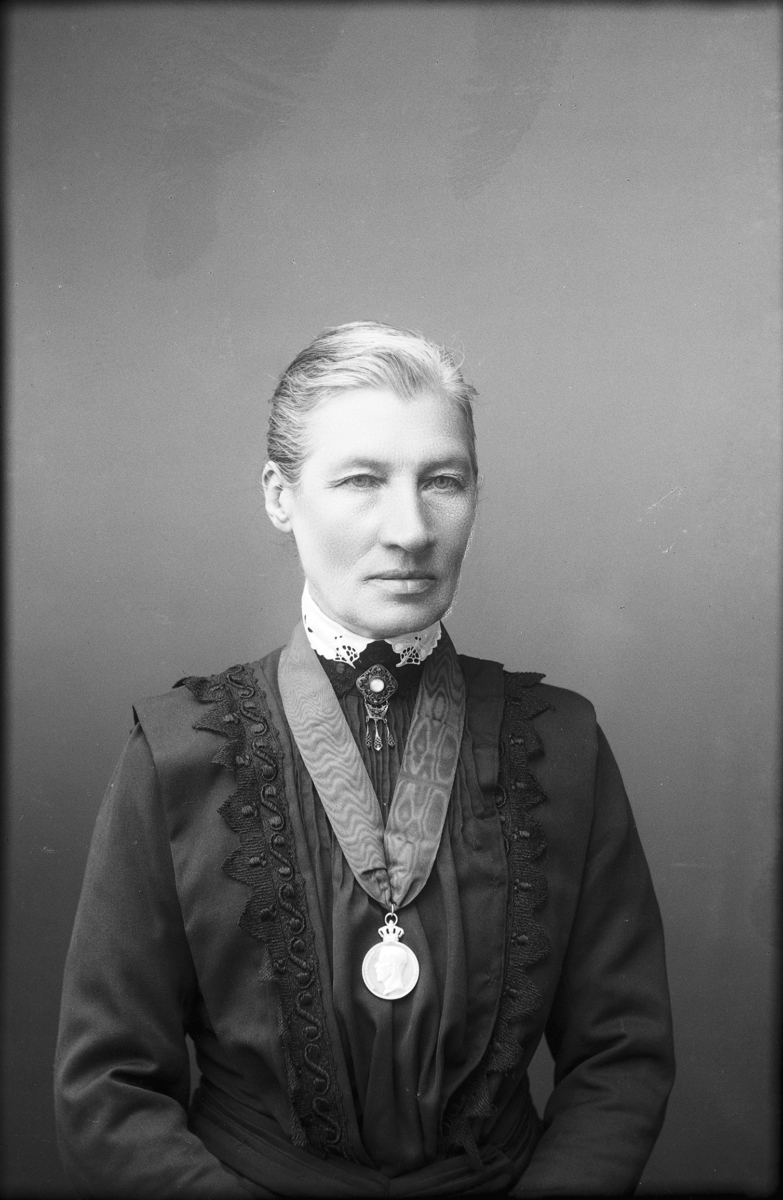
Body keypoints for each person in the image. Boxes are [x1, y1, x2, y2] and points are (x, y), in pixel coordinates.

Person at [55, 321, 675, 1197]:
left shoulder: (561, 745)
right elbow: (107, 1092)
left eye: (442, 481)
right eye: (360, 480)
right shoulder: (178, 753)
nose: (410, 530)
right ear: (279, 495)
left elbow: (622, 1057)